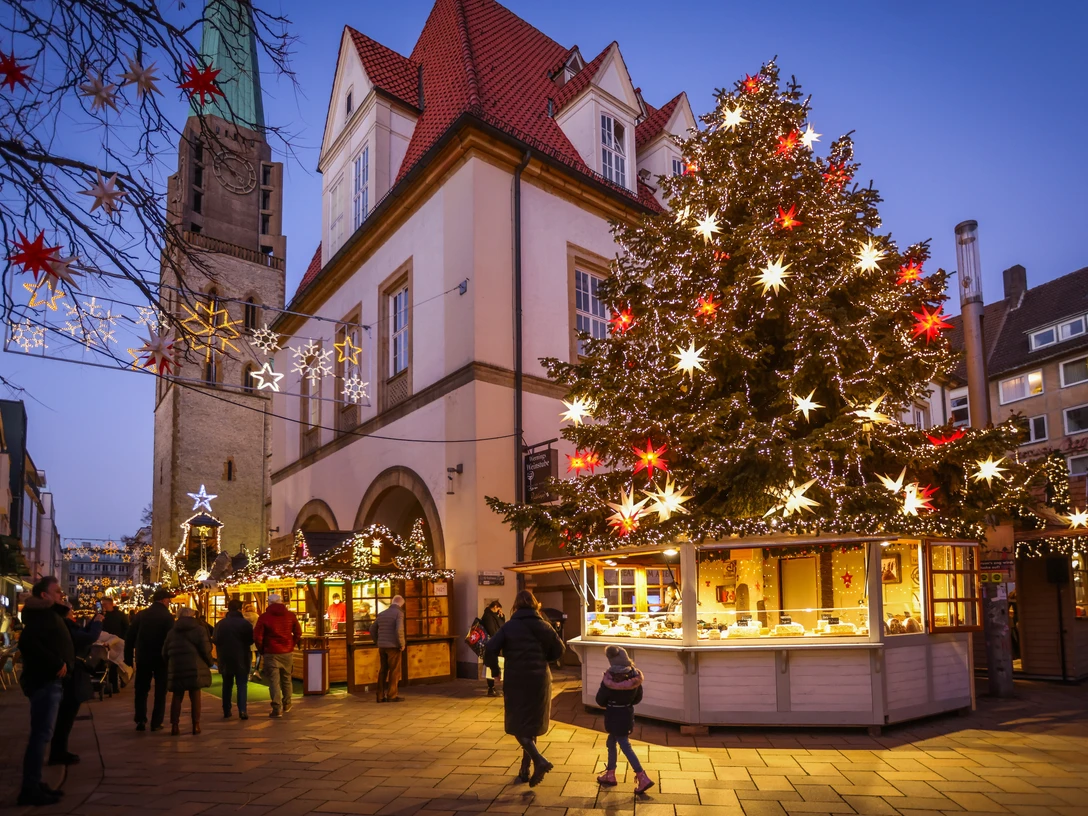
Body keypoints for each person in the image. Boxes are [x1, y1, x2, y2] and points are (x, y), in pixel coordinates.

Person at [484, 590, 564, 787]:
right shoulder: (544, 625)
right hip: (539, 680)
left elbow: (490, 648)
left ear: (516, 606)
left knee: (517, 724)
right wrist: (544, 659)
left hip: (517, 680)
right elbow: (559, 649)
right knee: (532, 724)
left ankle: (539, 760)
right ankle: (524, 769)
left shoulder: (509, 627)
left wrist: (495, 671)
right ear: (535, 604)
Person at [16, 577, 73, 807]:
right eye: (56, 591)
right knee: (40, 735)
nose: (61, 594)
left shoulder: (47, 614)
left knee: (42, 734)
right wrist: (56, 663)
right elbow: (28, 643)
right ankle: (30, 788)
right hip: (45, 681)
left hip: (49, 680)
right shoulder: (41, 616)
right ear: (44, 595)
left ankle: (35, 782)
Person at [594, 645, 654, 793]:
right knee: (611, 742)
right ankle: (610, 773)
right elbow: (638, 698)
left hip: (613, 714)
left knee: (624, 745)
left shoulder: (609, 679)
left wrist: (611, 702)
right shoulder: (634, 676)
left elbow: (600, 700)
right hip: (626, 713)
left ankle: (642, 776)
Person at [50, 604, 103, 766]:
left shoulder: (66, 626)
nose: (73, 613)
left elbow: (84, 634)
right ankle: (58, 752)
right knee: (65, 715)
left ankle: (60, 750)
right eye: (71, 611)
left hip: (73, 673)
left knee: (66, 715)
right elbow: (87, 637)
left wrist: (93, 622)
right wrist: (97, 623)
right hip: (72, 674)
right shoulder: (64, 626)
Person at [125, 587, 175, 732]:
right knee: (160, 690)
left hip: (143, 657)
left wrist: (128, 658)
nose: (169, 602)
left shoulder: (141, 615)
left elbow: (130, 637)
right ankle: (156, 722)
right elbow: (171, 639)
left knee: (141, 689)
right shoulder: (167, 616)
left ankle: (140, 719)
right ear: (164, 600)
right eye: (168, 600)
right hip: (161, 658)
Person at [163, 607, 213, 735]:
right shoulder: (199, 630)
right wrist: (210, 662)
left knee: (177, 696)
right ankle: (196, 725)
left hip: (177, 666)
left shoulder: (172, 632)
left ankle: (175, 726)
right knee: (195, 695)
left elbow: (165, 651)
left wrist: (170, 663)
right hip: (195, 666)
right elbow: (205, 648)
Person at [253, 592, 301, 718]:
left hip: (271, 651)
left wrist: (262, 649)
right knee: (287, 678)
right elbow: (298, 632)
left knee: (274, 681)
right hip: (287, 651)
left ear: (269, 603)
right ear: (281, 602)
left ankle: (277, 708)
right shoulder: (290, 615)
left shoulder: (264, 617)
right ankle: (287, 703)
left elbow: (257, 637)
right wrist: (291, 644)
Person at [213, 599, 254, 719]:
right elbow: (250, 640)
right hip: (242, 657)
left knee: (227, 684)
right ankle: (242, 710)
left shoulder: (221, 624)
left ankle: (226, 710)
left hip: (225, 657)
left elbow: (215, 639)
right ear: (239, 609)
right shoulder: (245, 624)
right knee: (241, 684)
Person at [371, 595, 406, 703]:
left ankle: (380, 696)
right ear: (401, 604)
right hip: (393, 646)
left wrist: (377, 641)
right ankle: (392, 695)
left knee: (383, 670)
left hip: (382, 646)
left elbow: (372, 628)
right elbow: (399, 629)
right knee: (394, 671)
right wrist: (402, 643)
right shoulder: (399, 613)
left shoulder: (382, 613)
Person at [100, 598, 128, 693]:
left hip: (118, 642)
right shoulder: (102, 615)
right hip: (106, 642)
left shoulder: (120, 615)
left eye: (105, 604)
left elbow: (126, 628)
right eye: (102, 604)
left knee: (116, 664)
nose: (103, 606)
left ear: (111, 604)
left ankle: (116, 684)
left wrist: (123, 640)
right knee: (109, 664)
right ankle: (111, 685)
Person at [481, 600, 505, 697]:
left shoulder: (493, 616)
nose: (499, 611)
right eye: (499, 609)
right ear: (495, 606)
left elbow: (501, 626)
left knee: (496, 664)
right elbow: (493, 630)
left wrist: (501, 617)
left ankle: (492, 688)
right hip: (490, 645)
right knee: (490, 665)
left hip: (495, 644)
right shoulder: (488, 616)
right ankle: (491, 688)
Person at [242, 603, 260, 679]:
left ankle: (249, 673)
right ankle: (256, 670)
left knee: (249, 657)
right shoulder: (257, 616)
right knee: (258, 654)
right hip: (256, 637)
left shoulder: (243, 617)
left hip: (246, 638)